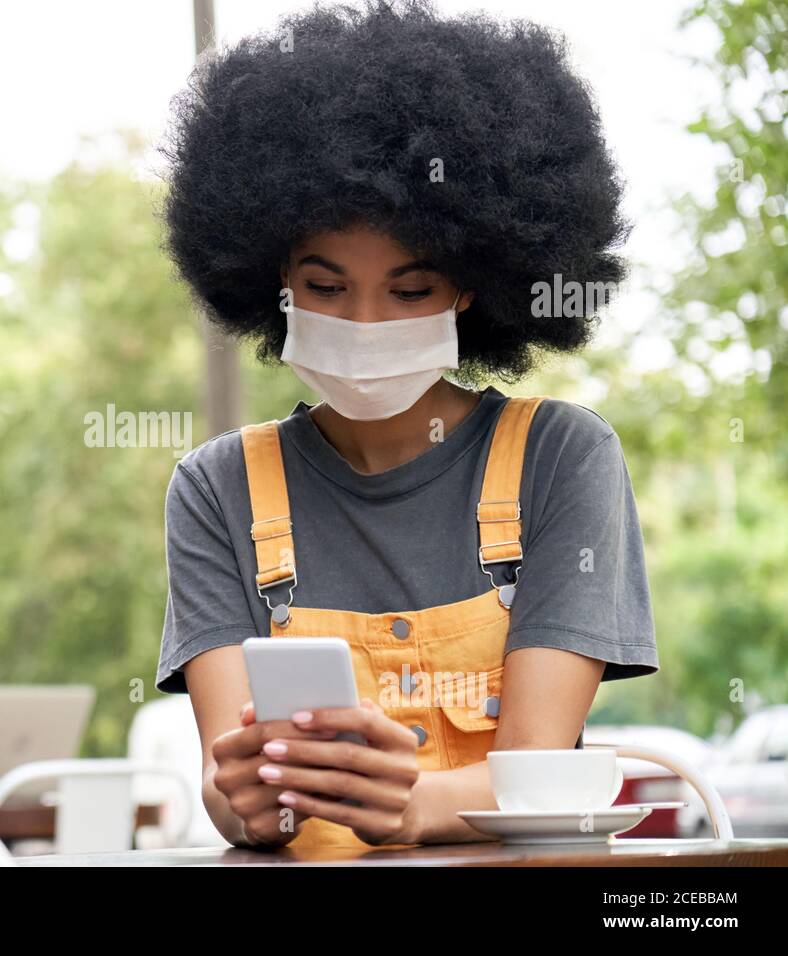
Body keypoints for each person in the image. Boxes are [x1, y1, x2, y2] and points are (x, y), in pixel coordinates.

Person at [154, 0, 659, 850]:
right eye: (324, 286)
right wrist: (242, 796)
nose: (364, 322)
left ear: (470, 284)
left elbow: (534, 775)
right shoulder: (216, 489)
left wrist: (412, 804)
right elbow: (233, 789)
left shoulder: (563, 459)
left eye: (411, 290)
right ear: (275, 279)